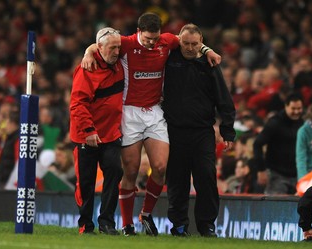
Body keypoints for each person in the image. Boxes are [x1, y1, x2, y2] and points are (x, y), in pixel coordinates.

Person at [81, 13, 221, 236]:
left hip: (155, 111)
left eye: (155, 39)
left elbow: (189, 40)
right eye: (147, 39)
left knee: (161, 167)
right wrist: (89, 52)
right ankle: (127, 224)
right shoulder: (126, 44)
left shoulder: (166, 40)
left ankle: (145, 214)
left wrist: (207, 50)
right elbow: (101, 43)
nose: (152, 43)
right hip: (129, 112)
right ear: (138, 32)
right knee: (131, 170)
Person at [162, 24, 236, 237]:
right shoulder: (169, 57)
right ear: (179, 41)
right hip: (174, 131)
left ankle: (207, 225)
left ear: (201, 42)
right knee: (177, 181)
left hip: (202, 132)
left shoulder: (209, 63)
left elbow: (224, 99)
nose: (190, 48)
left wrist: (227, 130)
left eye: (195, 44)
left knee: (206, 177)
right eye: (186, 43)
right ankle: (178, 225)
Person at [69, 27, 124, 235]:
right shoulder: (87, 69)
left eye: (119, 47)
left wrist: (89, 49)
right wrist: (89, 130)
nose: (117, 52)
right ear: (100, 48)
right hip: (86, 134)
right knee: (86, 182)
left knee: (115, 171)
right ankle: (85, 224)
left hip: (110, 134)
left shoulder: (119, 61)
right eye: (112, 48)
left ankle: (107, 222)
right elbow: (77, 104)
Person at [253, 94, 304, 195]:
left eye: (299, 108)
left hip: (298, 174)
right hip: (277, 174)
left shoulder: (303, 123)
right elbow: (257, 144)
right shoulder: (275, 123)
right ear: (286, 106)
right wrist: (261, 169)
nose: (297, 112)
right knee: (274, 207)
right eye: (293, 108)